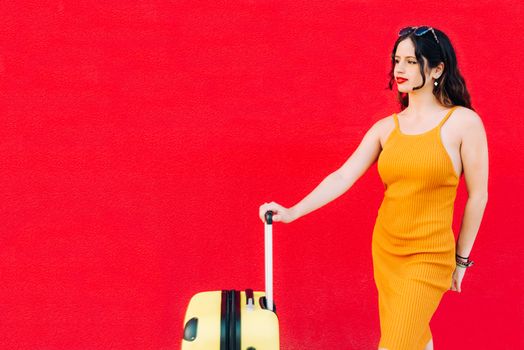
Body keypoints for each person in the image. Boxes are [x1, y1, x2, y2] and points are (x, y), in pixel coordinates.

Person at [258, 26, 489, 350]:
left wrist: (461, 261)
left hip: (429, 256)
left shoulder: (463, 123)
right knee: (414, 337)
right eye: (397, 60)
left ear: (437, 69)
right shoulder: (386, 129)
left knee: (395, 343)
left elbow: (478, 195)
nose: (399, 69)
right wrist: (292, 211)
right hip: (387, 250)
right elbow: (342, 176)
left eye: (411, 61)